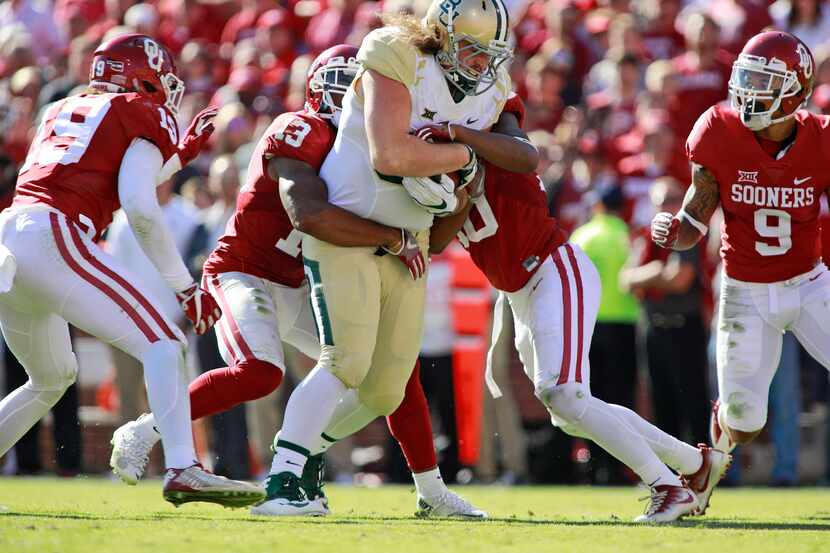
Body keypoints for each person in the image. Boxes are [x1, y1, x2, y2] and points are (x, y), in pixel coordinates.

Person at [110, 44, 483, 518]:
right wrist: (392, 238)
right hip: (245, 272)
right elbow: (306, 213)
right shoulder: (299, 128)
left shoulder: (372, 146)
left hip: (299, 282)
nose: (359, 98)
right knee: (261, 371)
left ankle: (429, 491)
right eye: (350, 86)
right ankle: (145, 431)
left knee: (390, 371)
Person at [257, 0, 513, 516]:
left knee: (385, 390)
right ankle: (282, 483)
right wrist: (466, 155)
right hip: (350, 228)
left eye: (489, 54)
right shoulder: (393, 50)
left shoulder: (491, 91)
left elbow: (454, 212)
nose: (480, 65)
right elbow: (390, 154)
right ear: (440, 34)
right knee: (345, 360)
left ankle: (304, 452)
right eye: (470, 49)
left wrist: (460, 186)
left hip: (410, 243)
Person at [427, 94, 728, 523]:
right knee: (569, 412)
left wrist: (460, 137)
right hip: (520, 290)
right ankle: (695, 464)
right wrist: (455, 187)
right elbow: (439, 239)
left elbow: (524, 154)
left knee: (564, 394)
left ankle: (666, 485)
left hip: (553, 268)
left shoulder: (496, 124)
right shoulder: (445, 163)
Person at [0, 33, 263, 507]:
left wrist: (177, 156)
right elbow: (138, 204)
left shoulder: (60, 108)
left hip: (11, 235)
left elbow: (109, 170)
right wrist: (185, 287)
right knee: (165, 342)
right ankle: (183, 467)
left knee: (51, 376)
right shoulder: (141, 110)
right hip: (54, 233)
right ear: (141, 77)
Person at [650, 30, 830, 515]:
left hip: (810, 283)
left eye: (763, 80)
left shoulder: (822, 139)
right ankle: (707, 466)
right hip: (745, 291)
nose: (749, 91)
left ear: (794, 89)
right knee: (747, 418)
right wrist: (676, 232)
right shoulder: (719, 131)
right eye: (745, 78)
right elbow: (695, 218)